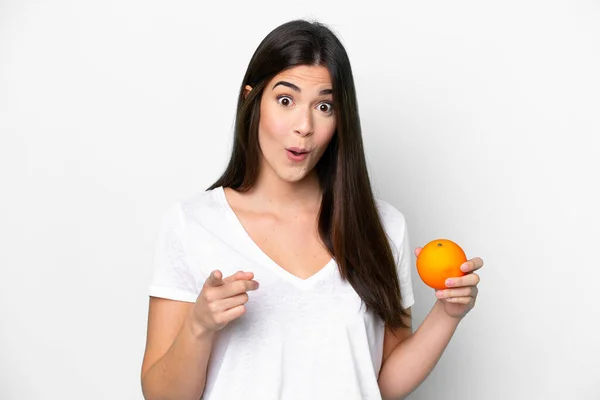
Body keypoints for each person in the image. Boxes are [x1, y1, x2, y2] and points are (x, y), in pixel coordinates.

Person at [140, 19, 483, 400]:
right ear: (251, 99)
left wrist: (448, 315)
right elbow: (160, 394)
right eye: (285, 100)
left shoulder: (382, 226)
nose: (304, 126)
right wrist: (198, 327)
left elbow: (379, 383)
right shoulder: (193, 225)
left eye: (324, 106)